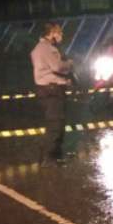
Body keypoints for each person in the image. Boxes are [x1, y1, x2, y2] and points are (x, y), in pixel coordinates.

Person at [30, 22, 74, 165]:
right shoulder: (47, 48)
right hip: (52, 91)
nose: (62, 35)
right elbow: (57, 67)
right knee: (55, 126)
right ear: (51, 33)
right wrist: (69, 64)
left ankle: (55, 155)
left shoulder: (39, 48)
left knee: (57, 124)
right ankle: (48, 159)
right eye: (59, 32)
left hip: (49, 90)